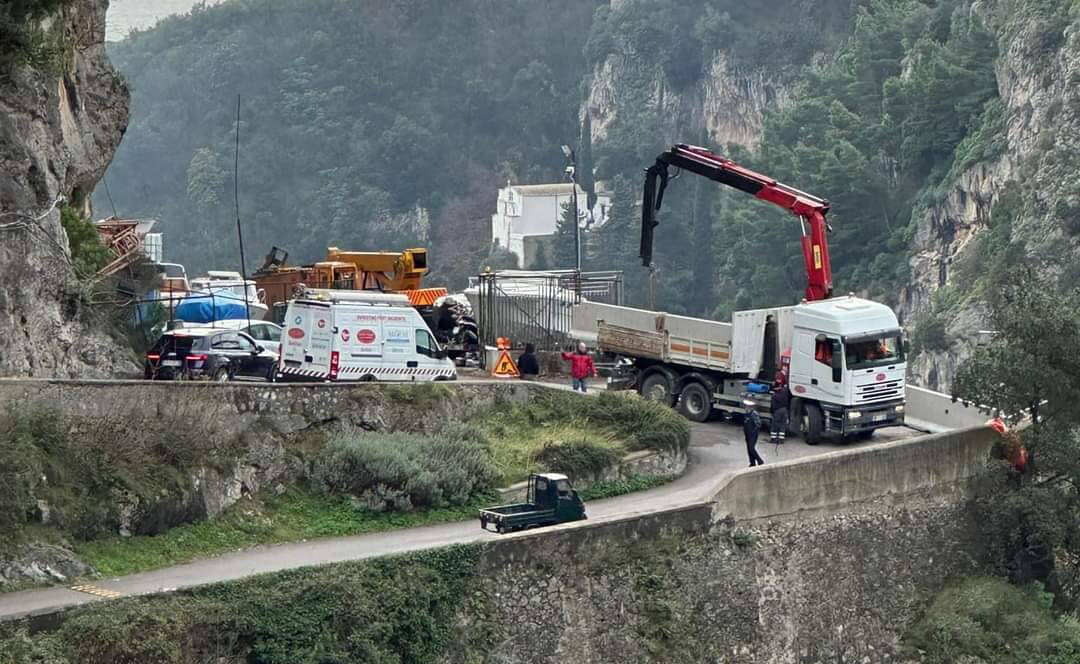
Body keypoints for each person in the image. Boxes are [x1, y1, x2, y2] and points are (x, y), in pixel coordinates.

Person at [743, 399, 765, 467]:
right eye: (745, 406)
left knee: (751, 448)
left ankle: (760, 461)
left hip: (753, 434)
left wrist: (753, 432)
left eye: (746, 407)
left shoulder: (754, 414)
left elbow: (758, 424)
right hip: (747, 434)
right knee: (749, 449)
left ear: (750, 407)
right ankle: (752, 463)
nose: (745, 408)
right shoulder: (746, 414)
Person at [770, 381, 790, 445]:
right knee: (783, 425)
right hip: (785, 410)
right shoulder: (784, 392)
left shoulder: (774, 396)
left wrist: (772, 412)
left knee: (775, 425)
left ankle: (773, 439)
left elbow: (773, 406)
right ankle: (781, 439)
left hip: (777, 410)